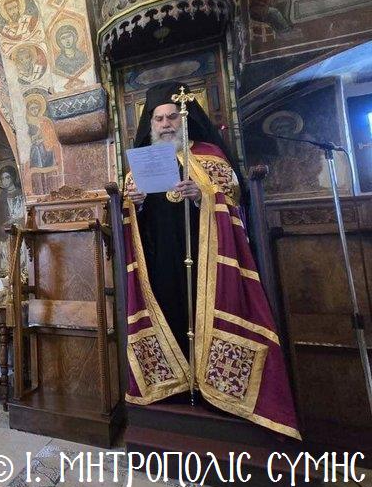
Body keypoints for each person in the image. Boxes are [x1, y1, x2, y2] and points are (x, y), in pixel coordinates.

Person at [122, 82, 299, 439]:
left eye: (172, 117)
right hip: (161, 262)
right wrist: (134, 204)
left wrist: (203, 195)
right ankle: (174, 384)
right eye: (159, 119)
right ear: (151, 124)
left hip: (209, 261)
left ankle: (214, 390)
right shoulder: (141, 165)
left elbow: (235, 204)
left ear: (184, 120)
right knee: (170, 312)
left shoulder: (210, 156)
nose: (166, 124)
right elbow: (133, 226)